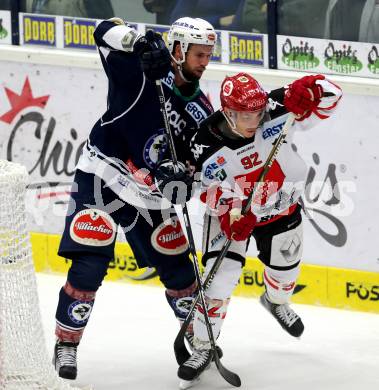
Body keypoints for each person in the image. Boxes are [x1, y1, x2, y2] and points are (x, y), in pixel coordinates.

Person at [52, 16, 217, 380]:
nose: (205, 62)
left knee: (179, 270)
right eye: (199, 54)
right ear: (177, 49)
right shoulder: (138, 70)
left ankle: (200, 340)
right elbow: (103, 29)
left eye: (209, 55)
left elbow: (201, 169)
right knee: (89, 266)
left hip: (149, 198)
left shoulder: (201, 112)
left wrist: (184, 180)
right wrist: (141, 43)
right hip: (102, 178)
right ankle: (66, 343)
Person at [157, 72, 342, 384]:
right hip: (232, 216)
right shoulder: (204, 143)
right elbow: (201, 186)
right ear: (228, 112)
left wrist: (308, 89)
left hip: (280, 208)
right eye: (245, 115)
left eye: (257, 113)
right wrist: (229, 212)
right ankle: (203, 346)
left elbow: (333, 95)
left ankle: (276, 301)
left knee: (285, 278)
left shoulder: (276, 107)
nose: (255, 120)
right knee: (219, 281)